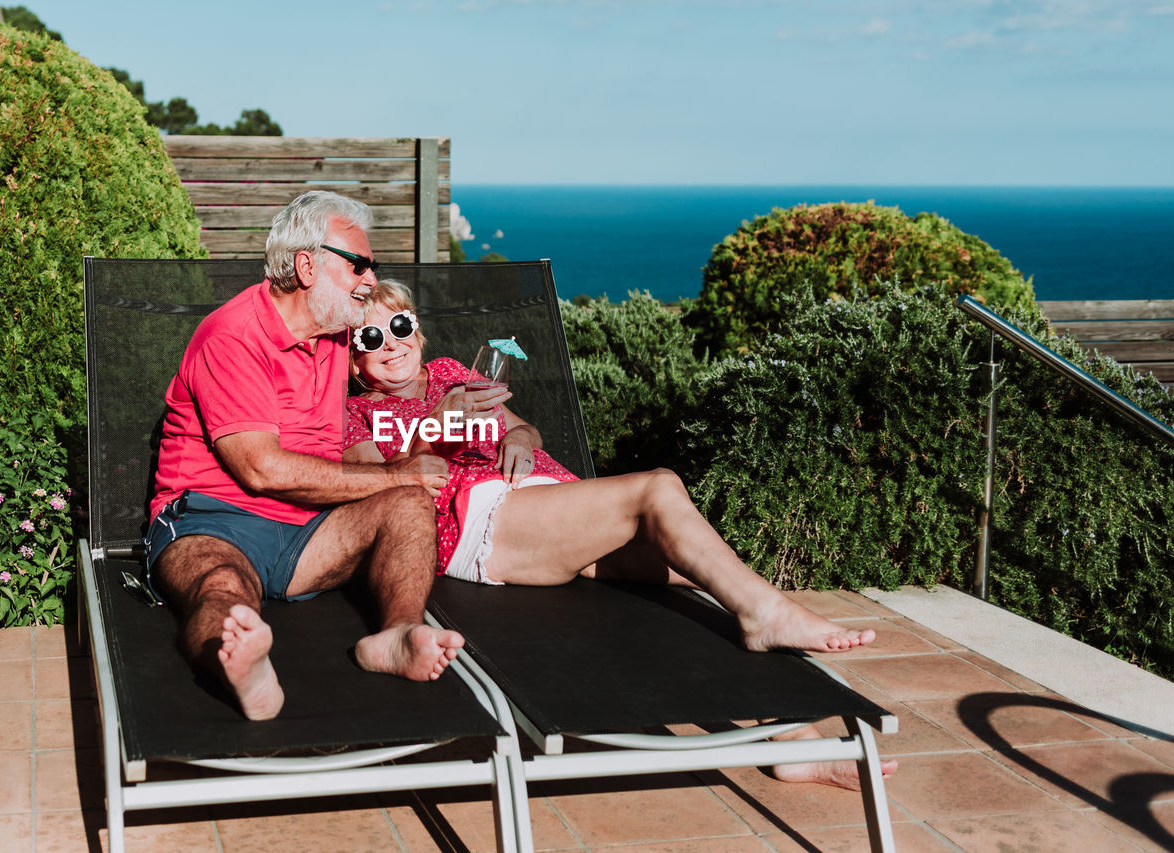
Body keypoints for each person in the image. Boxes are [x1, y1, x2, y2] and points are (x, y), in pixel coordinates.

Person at [343, 279, 898, 789]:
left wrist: (519, 440)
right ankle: (769, 615)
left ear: (418, 330)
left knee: (698, 579)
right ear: (353, 360)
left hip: (544, 501)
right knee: (658, 488)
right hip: (480, 519)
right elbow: (378, 488)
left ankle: (792, 738)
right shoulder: (353, 413)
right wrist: (436, 427)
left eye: (399, 326)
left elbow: (522, 428)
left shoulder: (451, 371)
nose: (390, 343)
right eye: (370, 337)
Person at [144, 192, 463, 722]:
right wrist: (391, 474)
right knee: (221, 586)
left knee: (408, 502)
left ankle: (398, 633)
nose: (369, 279)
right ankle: (244, 665)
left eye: (373, 267)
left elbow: (401, 367)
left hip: (308, 532)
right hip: (213, 518)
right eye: (358, 265)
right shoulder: (233, 336)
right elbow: (262, 470)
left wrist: (451, 408)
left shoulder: (339, 333)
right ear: (306, 265)